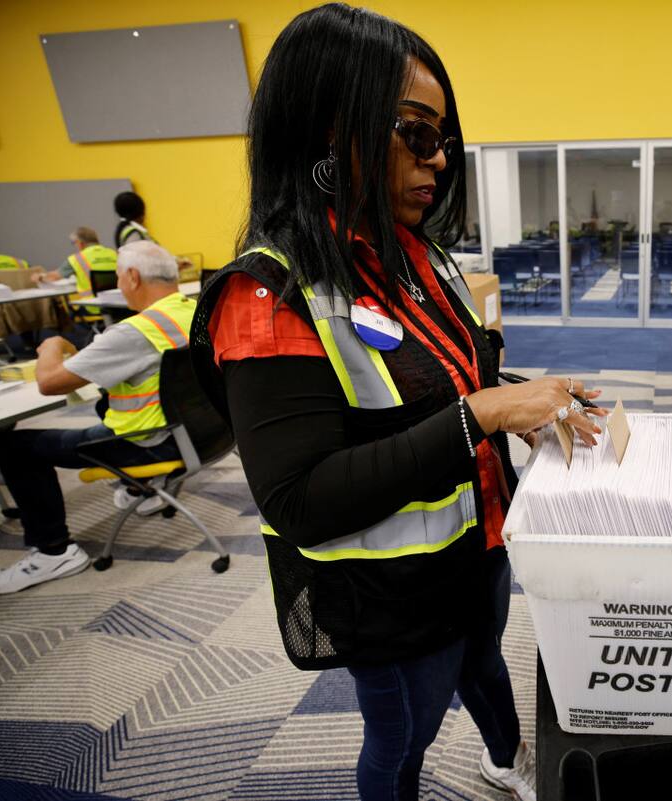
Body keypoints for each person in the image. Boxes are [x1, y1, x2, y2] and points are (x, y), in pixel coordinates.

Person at [189, 6, 604, 800]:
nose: (438, 158)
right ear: (326, 127)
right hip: (388, 592)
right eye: (415, 132)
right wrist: (485, 414)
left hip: (475, 542)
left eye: (441, 137)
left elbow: (455, 381)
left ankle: (504, 755)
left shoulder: (415, 253)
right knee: (402, 737)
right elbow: (301, 499)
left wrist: (525, 402)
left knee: (484, 661)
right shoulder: (270, 294)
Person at [0, 241, 194, 594]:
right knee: (107, 403)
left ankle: (54, 551)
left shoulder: (135, 331)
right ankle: (140, 488)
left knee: (14, 446)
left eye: (118, 277)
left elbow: (49, 382)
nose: (118, 285)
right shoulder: (194, 310)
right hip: (196, 434)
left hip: (147, 443)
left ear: (132, 277)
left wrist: (51, 344)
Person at [35, 227, 118, 294]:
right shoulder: (114, 253)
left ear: (80, 243)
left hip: (92, 304)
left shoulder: (77, 259)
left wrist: (40, 277)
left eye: (74, 243)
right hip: (117, 302)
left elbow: (53, 277)